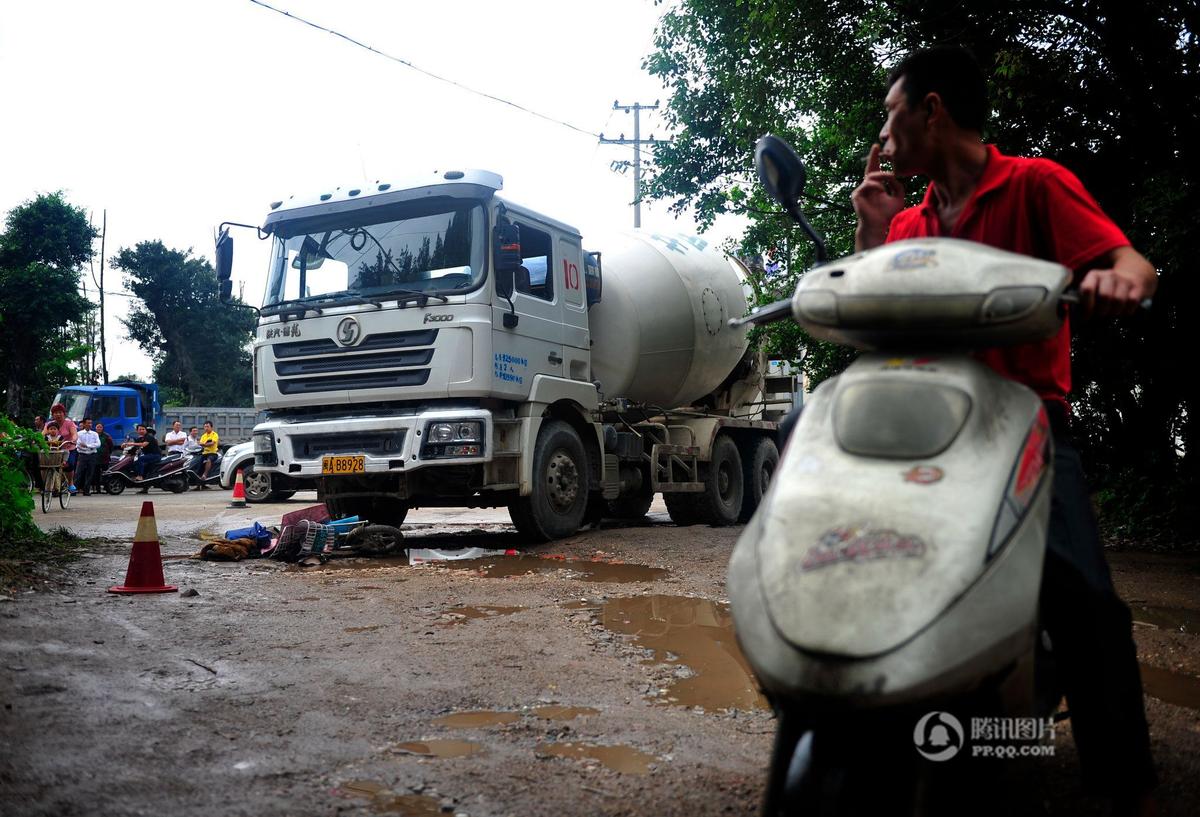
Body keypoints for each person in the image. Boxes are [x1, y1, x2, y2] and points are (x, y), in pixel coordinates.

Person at [851, 46, 1158, 813]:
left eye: (892, 116)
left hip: (1024, 426)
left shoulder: (1033, 184)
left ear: (933, 110)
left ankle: (1125, 784)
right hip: (925, 427)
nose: (884, 138)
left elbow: (1132, 260)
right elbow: (872, 320)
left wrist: (1117, 278)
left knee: (1084, 598)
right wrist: (873, 233)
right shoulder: (910, 218)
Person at [48, 403, 79, 494]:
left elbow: (74, 434)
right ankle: (50, 485)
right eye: (55, 413)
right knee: (46, 465)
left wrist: (73, 439)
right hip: (54, 449)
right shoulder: (50, 424)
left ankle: (70, 483)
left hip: (69, 448)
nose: (58, 414)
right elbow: (42, 434)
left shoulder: (69, 423)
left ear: (64, 413)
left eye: (60, 412)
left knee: (69, 464)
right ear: (52, 414)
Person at [130, 424, 162, 493]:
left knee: (141, 459)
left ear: (145, 430)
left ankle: (140, 476)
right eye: (140, 429)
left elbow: (143, 444)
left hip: (155, 455)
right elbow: (135, 447)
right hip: (149, 455)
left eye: (143, 429)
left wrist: (129, 444)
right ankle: (145, 488)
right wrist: (127, 448)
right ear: (137, 431)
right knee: (135, 464)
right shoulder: (141, 438)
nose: (141, 431)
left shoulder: (149, 437)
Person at [74, 418, 101, 496]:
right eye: (88, 423)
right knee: (78, 473)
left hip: (92, 455)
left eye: (91, 423)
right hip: (82, 455)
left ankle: (86, 490)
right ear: (84, 424)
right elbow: (78, 445)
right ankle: (74, 490)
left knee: (90, 473)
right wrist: (91, 446)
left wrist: (87, 446)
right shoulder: (79, 434)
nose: (90, 424)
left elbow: (98, 444)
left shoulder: (95, 434)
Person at [93, 421, 115, 493]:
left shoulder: (107, 436)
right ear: (95, 428)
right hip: (95, 458)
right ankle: (97, 489)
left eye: (100, 427)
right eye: (97, 427)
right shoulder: (93, 435)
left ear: (103, 428)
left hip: (105, 458)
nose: (99, 428)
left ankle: (106, 488)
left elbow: (111, 446)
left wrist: (108, 453)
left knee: (106, 473)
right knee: (96, 474)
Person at [198, 420, 219, 488]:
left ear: (211, 427)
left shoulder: (214, 434)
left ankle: (205, 474)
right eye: (205, 427)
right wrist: (205, 444)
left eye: (207, 426)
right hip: (204, 453)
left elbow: (212, 443)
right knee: (198, 463)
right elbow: (200, 444)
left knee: (209, 460)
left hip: (213, 453)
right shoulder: (203, 436)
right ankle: (199, 484)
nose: (206, 428)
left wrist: (204, 444)